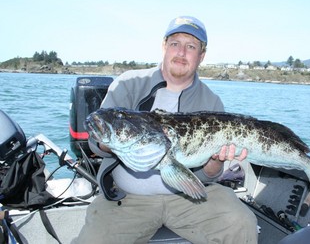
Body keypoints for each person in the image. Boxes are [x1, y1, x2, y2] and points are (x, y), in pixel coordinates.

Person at [74, 16, 258, 244]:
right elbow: (95, 140)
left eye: (191, 46)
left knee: (241, 222)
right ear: (164, 47)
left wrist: (216, 162)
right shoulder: (129, 83)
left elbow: (204, 177)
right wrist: (108, 140)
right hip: (127, 199)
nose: (181, 52)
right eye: (175, 44)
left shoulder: (211, 102)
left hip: (189, 198)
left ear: (201, 56)